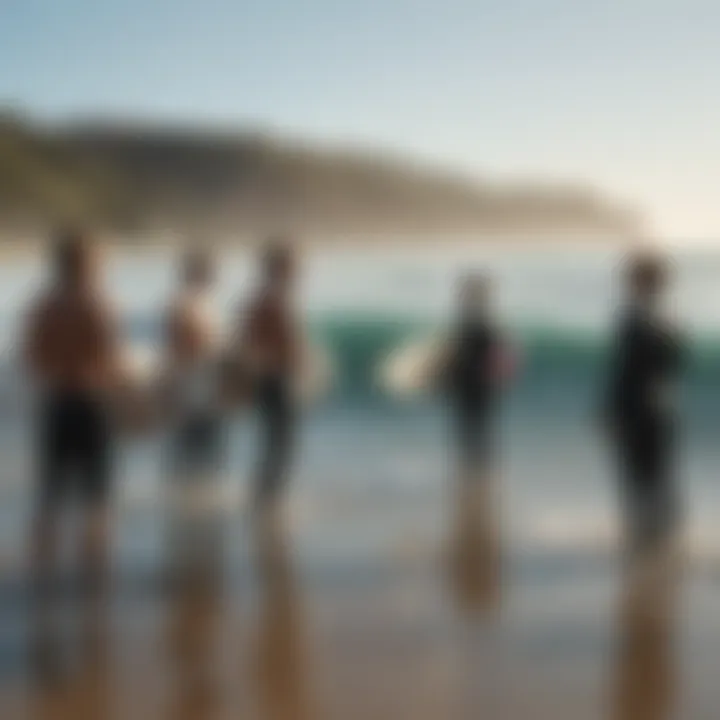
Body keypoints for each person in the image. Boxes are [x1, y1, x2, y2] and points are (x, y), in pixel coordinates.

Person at [23, 228, 122, 585]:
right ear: (87, 264)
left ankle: (40, 567)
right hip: (90, 401)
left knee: (52, 488)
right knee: (96, 491)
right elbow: (109, 357)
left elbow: (31, 357)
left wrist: (57, 372)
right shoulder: (96, 304)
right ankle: (93, 572)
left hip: (58, 400)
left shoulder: (45, 306)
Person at [601, 252, 686, 557]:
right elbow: (676, 364)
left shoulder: (634, 319)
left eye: (632, 279)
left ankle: (647, 544)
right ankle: (663, 544)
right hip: (662, 405)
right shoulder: (669, 319)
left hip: (638, 408)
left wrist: (609, 410)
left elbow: (623, 371)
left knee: (639, 477)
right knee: (659, 476)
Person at [237, 238, 302, 515]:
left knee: (276, 441)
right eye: (293, 266)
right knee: (280, 441)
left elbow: (248, 340)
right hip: (274, 379)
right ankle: (267, 500)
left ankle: (266, 496)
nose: (298, 271)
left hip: (269, 378)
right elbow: (276, 343)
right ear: (279, 268)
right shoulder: (272, 300)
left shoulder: (262, 298)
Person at [441, 272, 516, 480]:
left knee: (474, 434)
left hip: (475, 388)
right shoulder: (478, 324)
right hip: (474, 387)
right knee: (474, 434)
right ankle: (477, 478)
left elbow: (498, 357)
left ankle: (478, 479)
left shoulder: (479, 325)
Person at [163, 248, 224, 481]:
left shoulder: (201, 302)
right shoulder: (186, 303)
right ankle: (189, 496)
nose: (214, 275)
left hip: (201, 383)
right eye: (209, 271)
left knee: (200, 446)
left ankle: (193, 493)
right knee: (196, 444)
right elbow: (181, 345)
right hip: (193, 384)